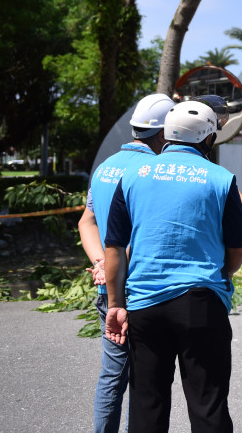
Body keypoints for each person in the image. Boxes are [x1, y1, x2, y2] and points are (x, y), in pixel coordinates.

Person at [103, 100, 242, 433]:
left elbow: (114, 247)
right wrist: (224, 272)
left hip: (144, 307)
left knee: (146, 404)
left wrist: (116, 305)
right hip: (201, 303)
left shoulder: (132, 175)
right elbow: (237, 248)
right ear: (208, 139)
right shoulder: (221, 179)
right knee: (207, 403)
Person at [78, 92, 175, 433]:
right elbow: (144, 234)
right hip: (138, 288)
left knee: (112, 373)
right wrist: (113, 264)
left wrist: (101, 263)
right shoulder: (152, 171)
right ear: (164, 134)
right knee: (142, 376)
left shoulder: (106, 166)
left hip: (108, 285)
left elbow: (86, 221)